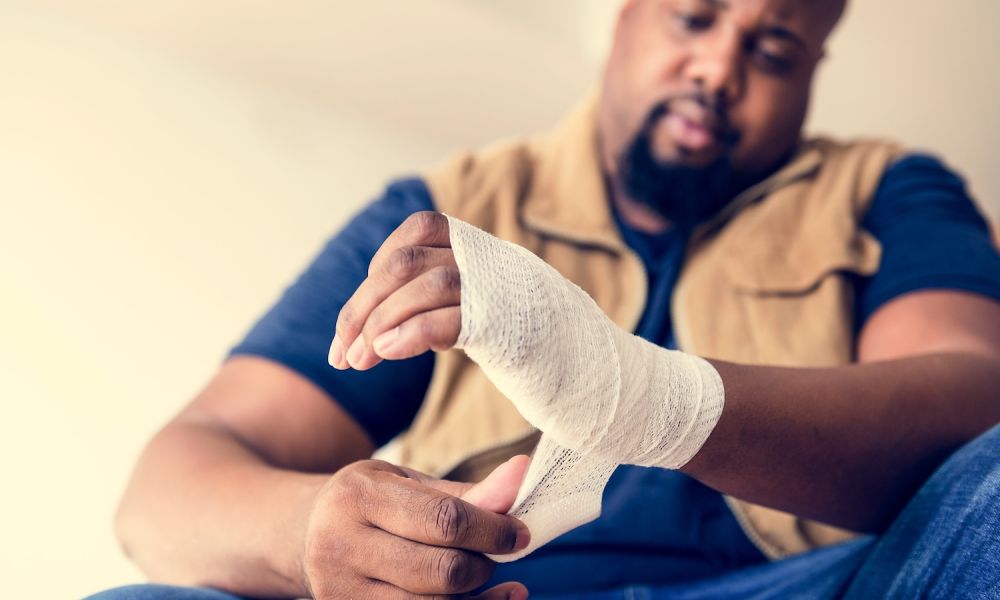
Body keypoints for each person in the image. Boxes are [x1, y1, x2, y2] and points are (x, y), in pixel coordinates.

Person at [90, 0, 1000, 598]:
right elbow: (169, 487)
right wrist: (310, 538)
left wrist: (646, 399)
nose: (719, 71)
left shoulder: (888, 191)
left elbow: (971, 404)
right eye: (695, 17)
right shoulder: (445, 213)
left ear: (814, 70)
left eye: (771, 48)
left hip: (807, 584)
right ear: (622, 18)